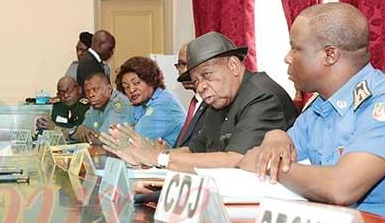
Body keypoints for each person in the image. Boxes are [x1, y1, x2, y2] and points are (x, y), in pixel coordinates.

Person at [238, 3, 385, 223]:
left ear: (330, 55)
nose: (287, 58)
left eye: (295, 48)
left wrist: (271, 166)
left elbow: (341, 188)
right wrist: (275, 136)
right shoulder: (321, 105)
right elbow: (281, 150)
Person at [100, 31, 297, 172]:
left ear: (234, 65)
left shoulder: (261, 96)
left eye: (207, 74)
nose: (201, 86)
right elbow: (194, 150)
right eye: (196, 81)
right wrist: (146, 156)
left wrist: (159, 158)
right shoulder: (218, 99)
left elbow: (236, 161)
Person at [116, 56, 185, 146]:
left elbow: (134, 140)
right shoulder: (141, 104)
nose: (131, 90)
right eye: (126, 86)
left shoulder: (164, 104)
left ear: (151, 80)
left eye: (136, 83)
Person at [73, 72, 131, 144]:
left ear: (109, 89)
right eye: (87, 91)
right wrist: (80, 128)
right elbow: (83, 131)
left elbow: (104, 139)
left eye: (95, 89)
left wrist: (73, 133)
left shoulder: (119, 104)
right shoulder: (96, 104)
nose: (91, 95)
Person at [173, 41, 208, 148]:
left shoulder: (214, 102)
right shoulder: (195, 102)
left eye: (189, 64)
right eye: (181, 64)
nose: (184, 71)